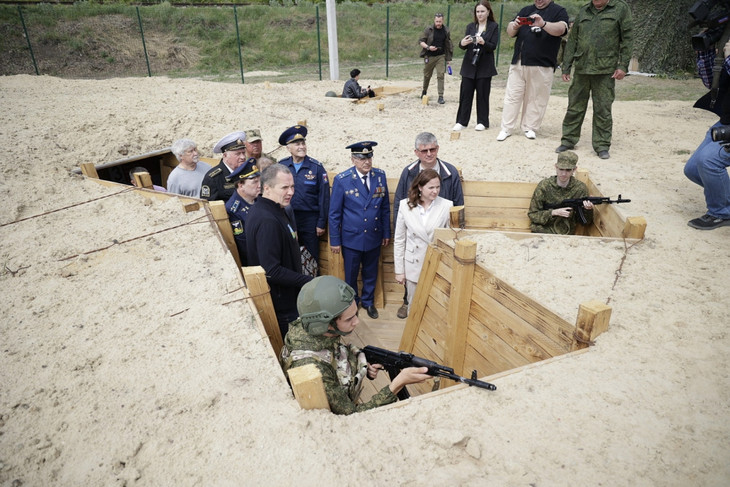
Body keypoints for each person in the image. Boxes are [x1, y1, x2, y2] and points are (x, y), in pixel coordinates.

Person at [280, 276, 430, 415]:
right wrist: (397, 384)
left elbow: (334, 353)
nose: (357, 322)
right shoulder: (314, 369)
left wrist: (361, 363)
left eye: (356, 314)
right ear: (325, 324)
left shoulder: (307, 327)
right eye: (349, 319)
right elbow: (354, 416)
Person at [392, 131, 464, 319]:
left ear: (438, 149)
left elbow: (458, 206)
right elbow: (400, 204)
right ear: (417, 152)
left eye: (432, 149)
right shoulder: (408, 172)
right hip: (415, 242)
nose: (429, 154)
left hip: (437, 237)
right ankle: (407, 300)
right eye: (424, 151)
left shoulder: (450, 172)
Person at [555, 0, 633, 159]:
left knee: (603, 108)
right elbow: (573, 40)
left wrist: (623, 65)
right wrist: (566, 66)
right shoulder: (584, 11)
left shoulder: (620, 9)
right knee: (574, 106)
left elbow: (627, 39)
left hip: (606, 70)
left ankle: (602, 145)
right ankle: (569, 139)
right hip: (582, 68)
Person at [246, 164, 313, 338]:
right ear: (266, 188)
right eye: (284, 187)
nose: (291, 192)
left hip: (289, 297)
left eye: (292, 187)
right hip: (283, 305)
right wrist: (308, 281)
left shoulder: (274, 209)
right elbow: (271, 270)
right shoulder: (267, 220)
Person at [329, 141, 391, 320]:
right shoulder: (343, 180)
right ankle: (352, 303)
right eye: (362, 158)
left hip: (373, 235)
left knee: (371, 271)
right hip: (351, 238)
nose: (367, 162)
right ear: (353, 159)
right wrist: (335, 240)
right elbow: (334, 213)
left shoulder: (380, 176)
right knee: (351, 274)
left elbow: (385, 208)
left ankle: (369, 302)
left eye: (369, 157)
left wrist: (386, 232)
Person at [496, 0, 569, 142]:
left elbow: (562, 29)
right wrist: (515, 25)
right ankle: (506, 128)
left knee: (536, 98)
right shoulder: (526, 10)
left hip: (542, 64)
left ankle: (530, 127)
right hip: (519, 61)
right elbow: (510, 32)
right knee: (512, 96)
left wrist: (543, 24)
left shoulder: (559, 11)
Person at [683, 40, 730, 230]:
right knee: (693, 169)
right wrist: (705, 52)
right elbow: (711, 82)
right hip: (725, 122)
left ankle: (721, 213)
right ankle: (725, 200)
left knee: (709, 161)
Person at [393, 169, 453, 314]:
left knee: (434, 307)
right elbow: (400, 240)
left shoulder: (447, 205)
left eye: (438, 187)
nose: (435, 191)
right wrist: (400, 271)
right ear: (420, 187)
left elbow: (450, 238)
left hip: (436, 264)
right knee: (414, 306)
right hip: (413, 263)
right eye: (431, 187)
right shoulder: (404, 205)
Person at [278, 125, 330, 267]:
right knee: (288, 255)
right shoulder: (281, 166)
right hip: (287, 217)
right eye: (297, 144)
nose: (302, 147)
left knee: (311, 259)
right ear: (288, 148)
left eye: (303, 143)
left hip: (309, 220)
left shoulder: (317, 168)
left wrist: (321, 222)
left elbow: (324, 197)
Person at [453, 0, 499, 132]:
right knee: (465, 94)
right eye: (478, 11)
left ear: (488, 12)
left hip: (484, 65)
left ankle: (482, 121)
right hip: (469, 65)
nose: (480, 14)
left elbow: (493, 46)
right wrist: (462, 43)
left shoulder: (493, 26)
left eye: (482, 11)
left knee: (483, 95)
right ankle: (461, 121)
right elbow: (462, 46)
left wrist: (484, 42)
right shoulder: (470, 26)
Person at [528, 150, 594, 234]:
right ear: (556, 167)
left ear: (574, 169)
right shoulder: (545, 186)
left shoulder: (580, 188)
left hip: (566, 233)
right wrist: (553, 212)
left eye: (568, 170)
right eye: (561, 169)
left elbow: (585, 222)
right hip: (542, 231)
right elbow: (533, 214)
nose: (563, 173)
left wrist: (588, 209)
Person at [225, 158, 260, 266]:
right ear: (241, 185)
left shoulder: (259, 198)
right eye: (255, 182)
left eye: (260, 180)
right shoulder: (233, 209)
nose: (260, 185)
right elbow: (244, 244)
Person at [201, 131, 248, 202]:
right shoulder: (213, 178)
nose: (243, 157)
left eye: (243, 153)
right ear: (225, 156)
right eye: (238, 154)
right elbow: (208, 206)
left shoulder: (248, 171)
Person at [418, 12, 454, 105]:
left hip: (440, 56)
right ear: (434, 20)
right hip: (429, 56)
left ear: (443, 21)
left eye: (440, 21)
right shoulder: (429, 29)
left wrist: (448, 58)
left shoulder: (446, 30)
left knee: (441, 75)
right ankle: (424, 91)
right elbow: (421, 41)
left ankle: (441, 96)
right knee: (427, 75)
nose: (438, 23)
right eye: (437, 21)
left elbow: (448, 44)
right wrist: (428, 47)